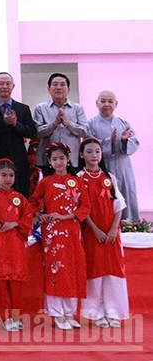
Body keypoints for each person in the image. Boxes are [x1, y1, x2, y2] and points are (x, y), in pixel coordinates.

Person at [28, 142, 90, 330]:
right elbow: (33, 202)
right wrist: (39, 214)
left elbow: (85, 206)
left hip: (71, 229)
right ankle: (56, 313)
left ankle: (70, 313)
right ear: (49, 161)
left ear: (68, 159)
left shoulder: (77, 181)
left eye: (61, 158)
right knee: (56, 269)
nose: (59, 162)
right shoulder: (45, 182)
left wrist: (67, 216)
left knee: (72, 268)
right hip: (52, 232)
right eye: (54, 159)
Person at [77, 138, 129, 328]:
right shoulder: (79, 179)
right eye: (89, 152)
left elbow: (118, 204)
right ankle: (96, 313)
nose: (93, 156)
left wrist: (114, 228)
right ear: (82, 154)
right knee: (95, 271)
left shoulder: (110, 177)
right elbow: (82, 209)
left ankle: (114, 312)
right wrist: (95, 229)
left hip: (111, 233)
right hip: (92, 233)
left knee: (113, 270)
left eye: (97, 152)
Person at [0, 158, 32, 332]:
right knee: (1, 282)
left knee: (16, 281)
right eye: (4, 175)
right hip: (0, 244)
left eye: (11, 175)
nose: (8, 179)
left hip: (16, 243)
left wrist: (16, 224)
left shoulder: (20, 198)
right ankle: (5, 317)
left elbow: (28, 217)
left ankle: (16, 316)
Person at [0, 72, 37, 196]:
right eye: (1, 83)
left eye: (8, 83)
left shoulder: (23, 109)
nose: (5, 86)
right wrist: (4, 123)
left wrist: (16, 124)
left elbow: (32, 132)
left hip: (19, 159)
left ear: (13, 86)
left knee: (21, 194)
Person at [89, 90, 140, 221]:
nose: (107, 104)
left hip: (123, 165)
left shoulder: (124, 123)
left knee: (127, 193)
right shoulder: (90, 124)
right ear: (96, 103)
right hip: (103, 165)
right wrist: (109, 141)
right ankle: (107, 226)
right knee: (105, 196)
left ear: (116, 104)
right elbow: (89, 144)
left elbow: (134, 142)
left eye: (110, 101)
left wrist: (124, 141)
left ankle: (129, 225)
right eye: (103, 101)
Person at [33, 73, 90, 172]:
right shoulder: (40, 108)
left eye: (62, 84)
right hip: (47, 161)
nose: (58, 87)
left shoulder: (77, 108)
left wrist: (68, 124)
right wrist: (54, 124)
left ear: (68, 89)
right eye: (55, 84)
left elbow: (85, 132)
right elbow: (37, 133)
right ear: (49, 89)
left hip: (72, 159)